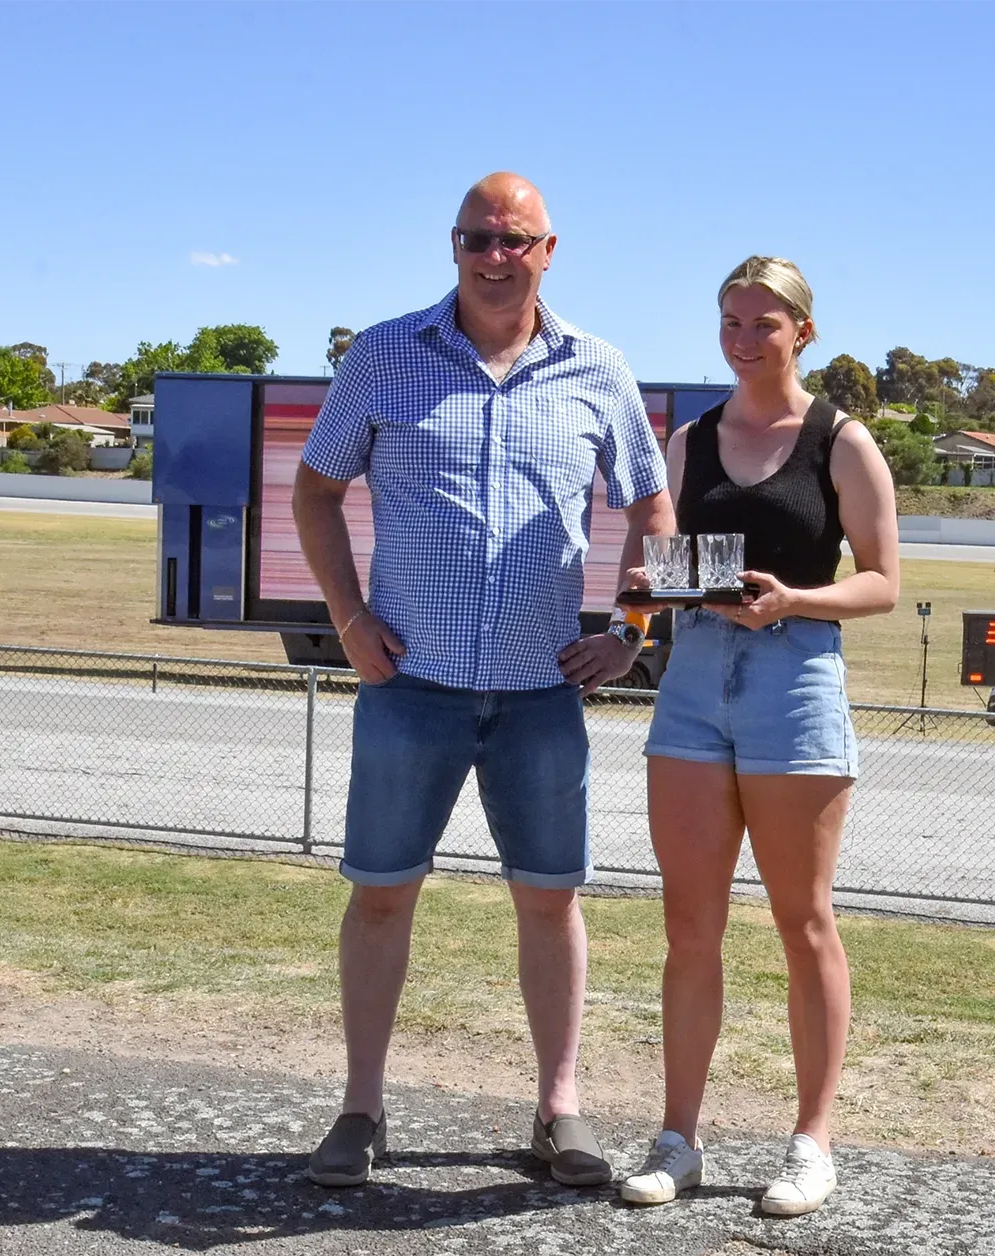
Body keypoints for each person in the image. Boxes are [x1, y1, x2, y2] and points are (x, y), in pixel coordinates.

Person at [291, 172, 673, 1188]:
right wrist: (347, 618)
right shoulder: (383, 357)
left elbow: (654, 508)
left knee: (549, 901)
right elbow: (316, 488)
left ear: (551, 250)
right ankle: (362, 1108)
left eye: (514, 239)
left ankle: (560, 1108)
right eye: (475, 237)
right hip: (409, 688)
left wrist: (633, 626)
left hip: (542, 695)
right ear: (451, 245)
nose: (493, 254)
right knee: (381, 896)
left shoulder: (599, 368)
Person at [618, 257, 899, 1216]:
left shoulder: (842, 441)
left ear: (802, 332)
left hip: (795, 680)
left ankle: (812, 1144)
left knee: (803, 921)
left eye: (763, 324)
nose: (744, 339)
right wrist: (637, 614)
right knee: (688, 925)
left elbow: (883, 581)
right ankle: (677, 1138)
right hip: (692, 684)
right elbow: (649, 565)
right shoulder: (690, 439)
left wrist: (793, 599)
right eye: (730, 322)